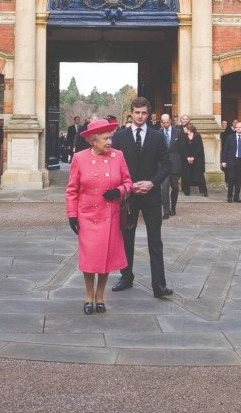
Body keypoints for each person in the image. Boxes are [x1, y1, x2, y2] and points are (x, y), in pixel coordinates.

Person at [65, 118, 133, 314]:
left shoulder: (118, 156)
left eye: (110, 138)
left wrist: (119, 191)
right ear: (93, 140)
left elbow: (129, 183)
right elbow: (72, 190)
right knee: (90, 258)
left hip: (109, 215)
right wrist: (72, 215)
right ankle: (88, 295)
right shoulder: (79, 158)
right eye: (105, 139)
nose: (109, 142)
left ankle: (100, 296)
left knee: (105, 259)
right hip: (87, 216)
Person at [110, 97, 173, 298]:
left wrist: (152, 183)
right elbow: (114, 167)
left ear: (148, 114)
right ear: (131, 112)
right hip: (128, 195)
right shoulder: (119, 137)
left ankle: (159, 284)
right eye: (137, 113)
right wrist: (128, 185)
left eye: (144, 113)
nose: (140, 116)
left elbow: (166, 165)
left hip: (151, 195)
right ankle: (126, 276)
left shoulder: (157, 136)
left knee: (155, 240)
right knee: (126, 237)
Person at [159, 114, 182, 219]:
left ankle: (173, 207)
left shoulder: (178, 133)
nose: (166, 124)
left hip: (175, 164)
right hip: (163, 165)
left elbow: (182, 150)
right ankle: (166, 212)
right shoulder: (158, 134)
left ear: (170, 121)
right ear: (161, 122)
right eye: (164, 122)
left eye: (167, 122)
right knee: (164, 188)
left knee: (175, 188)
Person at [221, 120, 241, 203]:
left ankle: (237, 197)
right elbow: (225, 150)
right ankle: (229, 196)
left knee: (239, 181)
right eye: (237, 127)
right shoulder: (230, 137)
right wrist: (223, 161)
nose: (238, 128)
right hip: (231, 161)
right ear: (235, 128)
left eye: (240, 127)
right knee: (231, 179)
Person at [179, 122, 207, 197]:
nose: (183, 129)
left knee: (200, 175)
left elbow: (199, 148)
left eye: (184, 128)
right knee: (186, 175)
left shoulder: (197, 136)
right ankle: (186, 190)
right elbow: (182, 148)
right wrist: (187, 157)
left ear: (189, 129)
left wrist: (193, 157)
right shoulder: (183, 136)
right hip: (186, 159)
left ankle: (204, 191)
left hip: (197, 159)